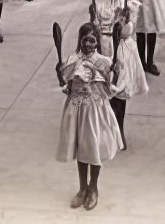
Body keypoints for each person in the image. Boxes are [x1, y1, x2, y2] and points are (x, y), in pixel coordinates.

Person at [56, 22, 122, 211]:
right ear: (80, 40)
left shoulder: (104, 61)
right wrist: (61, 76)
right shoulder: (73, 60)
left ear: (98, 42)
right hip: (77, 109)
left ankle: (93, 188)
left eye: (93, 41)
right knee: (81, 149)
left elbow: (110, 89)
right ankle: (82, 188)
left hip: (95, 110)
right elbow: (67, 87)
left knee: (93, 148)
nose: (88, 45)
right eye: (85, 40)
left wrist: (112, 75)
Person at [92, 0, 147, 145]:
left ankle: (119, 130)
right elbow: (95, 27)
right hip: (102, 47)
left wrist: (124, 21)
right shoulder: (101, 3)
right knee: (102, 92)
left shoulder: (129, 7)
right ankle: (106, 130)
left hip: (120, 52)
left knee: (118, 93)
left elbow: (127, 33)